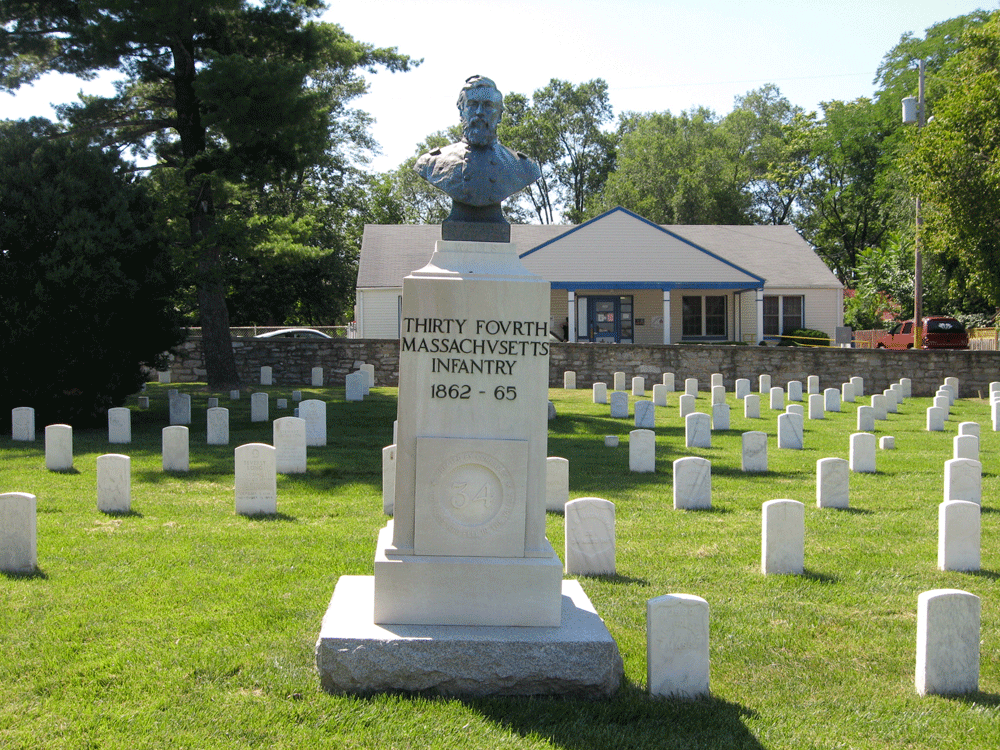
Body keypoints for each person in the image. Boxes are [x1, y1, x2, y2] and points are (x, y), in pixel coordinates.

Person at [415, 76, 540, 213]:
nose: (480, 112)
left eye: (488, 105)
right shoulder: (431, 162)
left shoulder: (524, 167)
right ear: (461, 111)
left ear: (499, 115)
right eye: (473, 104)